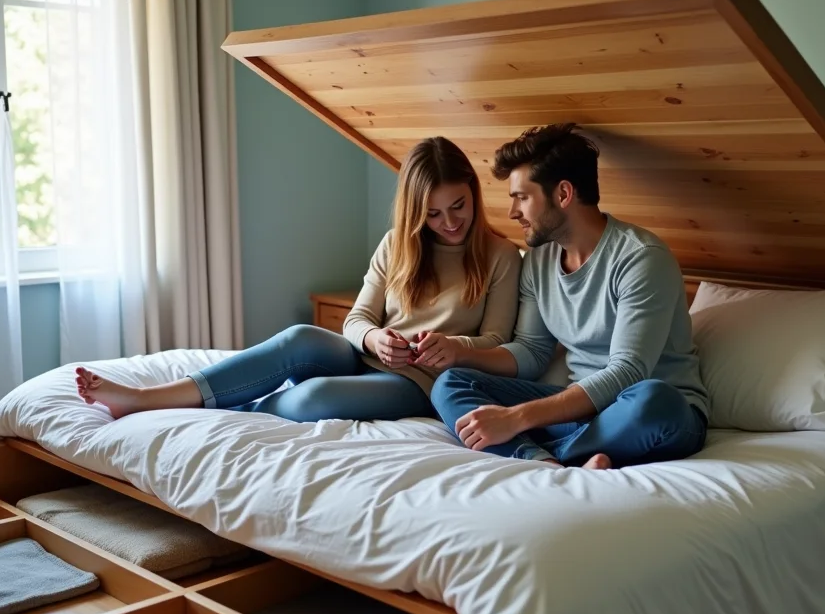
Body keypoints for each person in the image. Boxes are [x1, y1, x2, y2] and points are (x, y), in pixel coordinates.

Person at [76, 136, 522, 422]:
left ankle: (223, 409)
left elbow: (499, 342)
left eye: (458, 206)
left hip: (423, 382)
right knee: (297, 339)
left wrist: (454, 347)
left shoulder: (501, 255)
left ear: (473, 193)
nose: (449, 223)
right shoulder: (397, 244)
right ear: (414, 210)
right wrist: (375, 339)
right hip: (370, 358)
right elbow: (357, 320)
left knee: (315, 397)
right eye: (433, 214)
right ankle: (148, 397)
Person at [429, 123, 710, 470]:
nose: (514, 212)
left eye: (522, 197)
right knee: (451, 383)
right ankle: (545, 461)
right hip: (578, 413)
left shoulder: (641, 258)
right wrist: (460, 351)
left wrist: (517, 418)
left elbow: (628, 372)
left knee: (654, 399)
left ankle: (544, 455)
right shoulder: (538, 261)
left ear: (563, 194)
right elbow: (532, 351)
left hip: (650, 413)